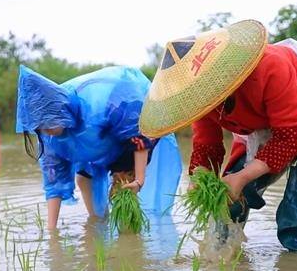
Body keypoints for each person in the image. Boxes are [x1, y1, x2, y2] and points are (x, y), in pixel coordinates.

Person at [139, 20, 297, 252]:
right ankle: (223, 255)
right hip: (267, 124)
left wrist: (243, 177)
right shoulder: (201, 99)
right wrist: (200, 177)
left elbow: (292, 136)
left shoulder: (270, 67)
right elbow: (207, 146)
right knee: (227, 197)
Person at [16, 65, 182, 230]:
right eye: (40, 128)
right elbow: (54, 184)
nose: (47, 132)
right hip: (93, 148)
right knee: (83, 179)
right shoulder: (49, 139)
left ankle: (129, 236)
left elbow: (139, 136)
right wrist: (51, 232)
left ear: (59, 112)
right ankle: (98, 221)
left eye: (47, 124)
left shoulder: (103, 104)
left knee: (123, 188)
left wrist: (139, 180)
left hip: (126, 140)